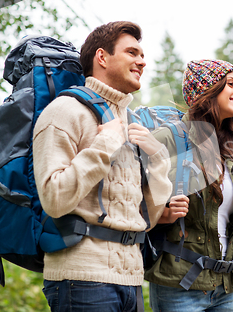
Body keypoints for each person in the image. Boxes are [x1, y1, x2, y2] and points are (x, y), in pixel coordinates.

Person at [33, 21, 172, 311]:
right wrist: (105, 144)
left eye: (142, 54)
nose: (142, 61)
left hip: (132, 279)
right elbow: (54, 199)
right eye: (132, 52)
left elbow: (147, 217)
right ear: (102, 57)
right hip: (81, 279)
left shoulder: (133, 123)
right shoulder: (63, 111)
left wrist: (157, 159)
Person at [139, 59, 233, 312]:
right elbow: (128, 204)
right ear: (206, 91)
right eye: (230, 84)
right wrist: (164, 214)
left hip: (227, 285)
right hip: (179, 285)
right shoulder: (168, 138)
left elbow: (224, 220)